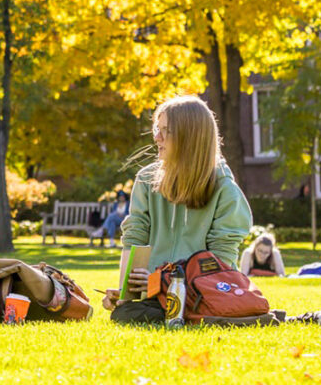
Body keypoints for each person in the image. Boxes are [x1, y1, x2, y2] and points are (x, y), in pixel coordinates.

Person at [103, 96, 252, 323]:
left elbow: (219, 263)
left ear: (190, 137)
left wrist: (161, 282)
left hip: (207, 292)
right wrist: (125, 295)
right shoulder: (146, 180)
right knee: (124, 314)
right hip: (157, 295)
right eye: (157, 129)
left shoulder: (224, 188)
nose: (156, 137)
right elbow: (135, 237)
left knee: (135, 316)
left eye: (166, 131)